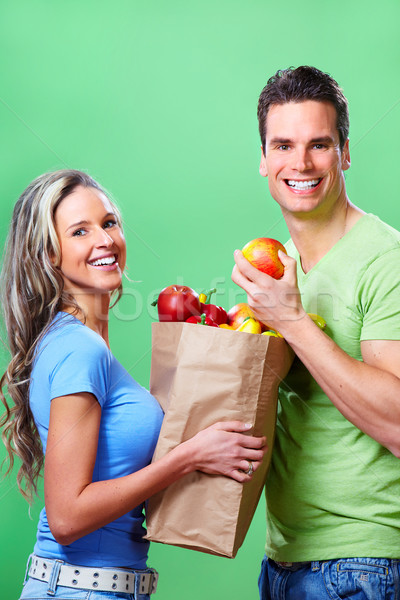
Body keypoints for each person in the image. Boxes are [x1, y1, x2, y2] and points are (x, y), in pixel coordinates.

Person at [0, 169, 267, 600]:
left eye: (108, 223)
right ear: (50, 254)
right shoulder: (79, 350)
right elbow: (67, 517)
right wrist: (187, 457)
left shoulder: (77, 343)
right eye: (80, 231)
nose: (104, 240)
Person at [232, 66, 400, 599]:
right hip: (284, 561)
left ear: (345, 153)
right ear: (263, 159)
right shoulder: (281, 268)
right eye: (282, 144)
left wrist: (292, 322)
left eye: (319, 144)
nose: (299, 163)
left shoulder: (385, 260)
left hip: (362, 564)